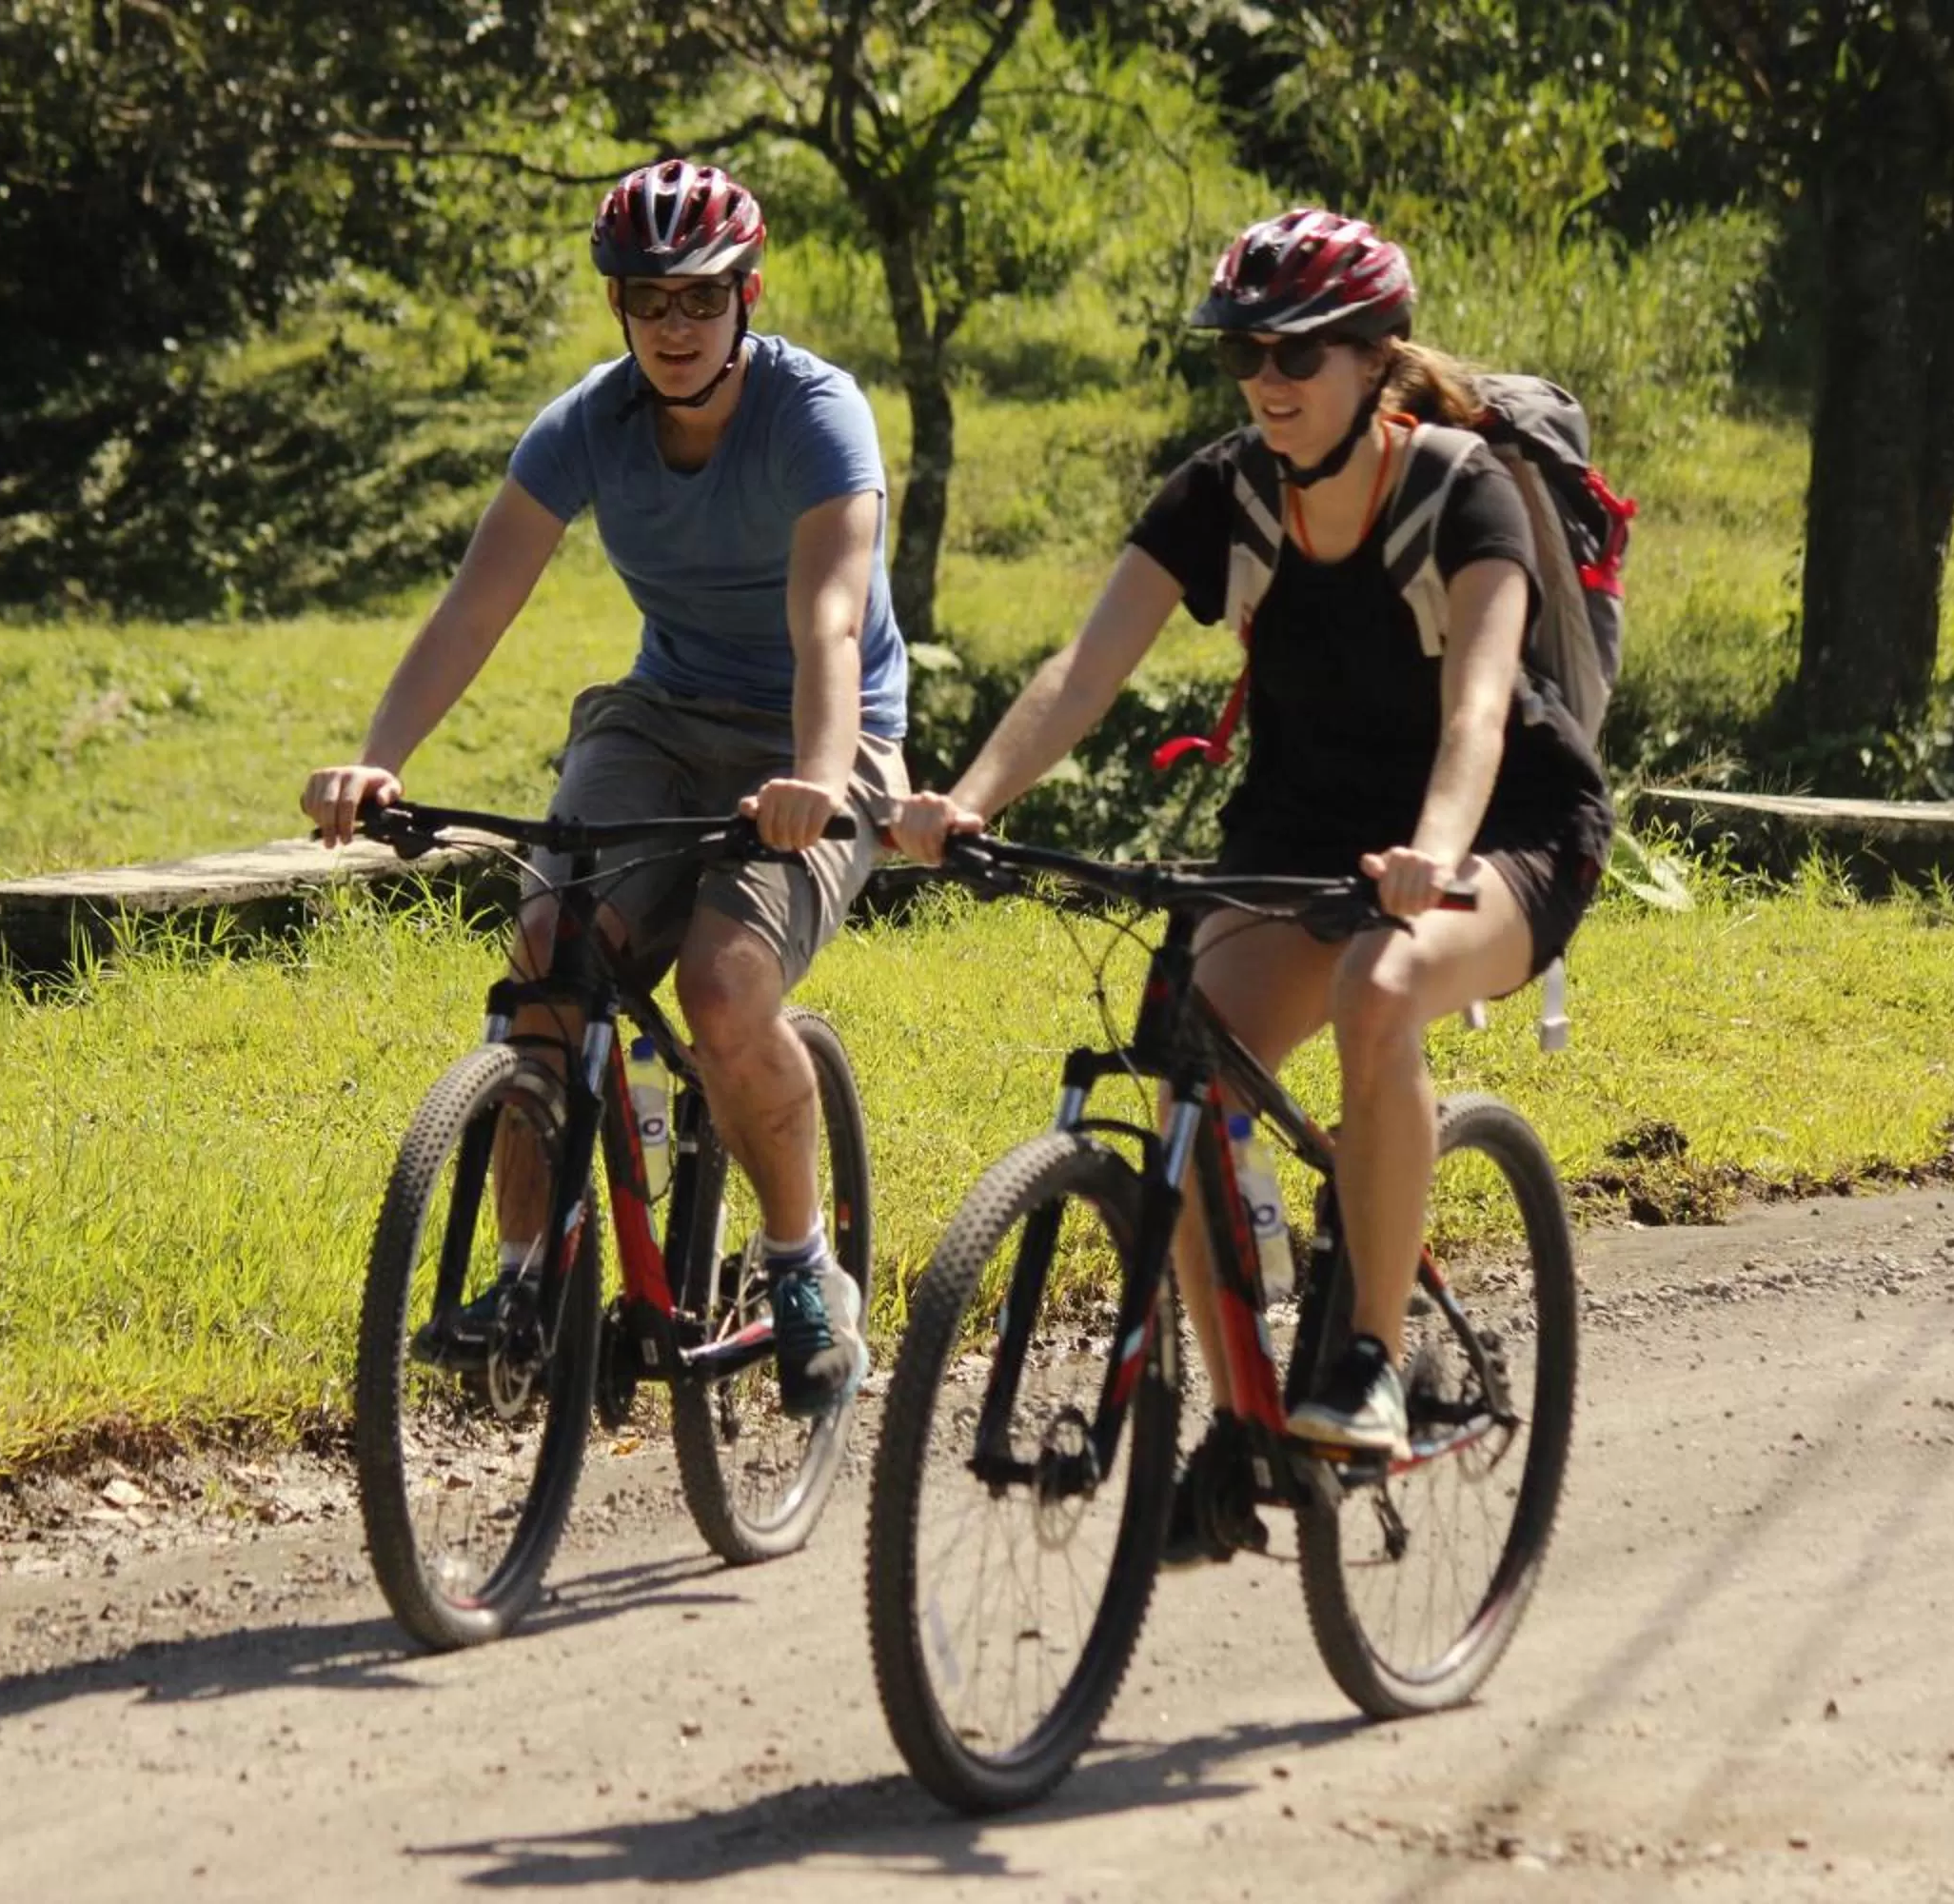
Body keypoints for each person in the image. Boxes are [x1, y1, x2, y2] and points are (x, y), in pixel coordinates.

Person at [888, 208, 1610, 1555]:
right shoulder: (1223, 493)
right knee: (1188, 1060)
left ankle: (1372, 1361)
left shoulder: (1466, 494)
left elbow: (1476, 715)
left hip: (1503, 828)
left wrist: (1434, 852)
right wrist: (967, 801)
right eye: (1243, 354)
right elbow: (1081, 671)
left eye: (1298, 354)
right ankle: (1240, 1422)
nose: (1266, 380)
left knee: (1379, 990)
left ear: (1376, 358)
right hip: (1306, 827)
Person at [303, 159, 910, 1418]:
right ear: (619, 305)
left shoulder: (817, 413)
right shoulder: (589, 423)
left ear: (747, 297)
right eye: (648, 300)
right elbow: (476, 606)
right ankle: (524, 1281)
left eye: (701, 299)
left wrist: (813, 779)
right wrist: (381, 755)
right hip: (660, 716)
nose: (675, 327)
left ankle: (802, 1266)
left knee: (725, 988)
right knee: (548, 957)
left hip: (822, 735)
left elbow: (831, 622)